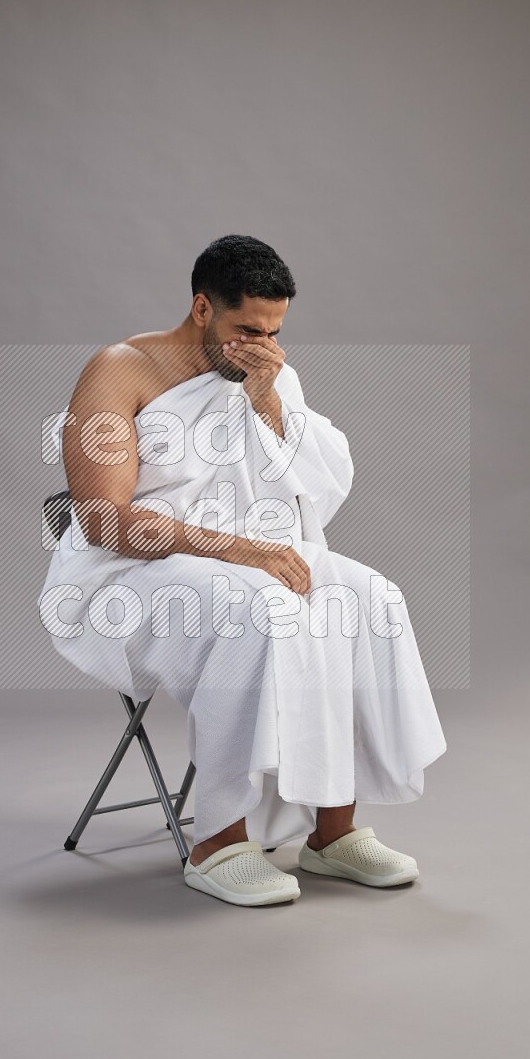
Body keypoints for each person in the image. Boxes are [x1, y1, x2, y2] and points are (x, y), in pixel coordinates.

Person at [38, 233, 447, 908]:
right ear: (202, 308)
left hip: (242, 552)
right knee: (257, 607)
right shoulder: (120, 370)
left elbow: (315, 488)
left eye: (275, 331)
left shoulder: (267, 373)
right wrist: (241, 551)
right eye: (246, 329)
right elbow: (103, 521)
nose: (263, 344)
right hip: (128, 574)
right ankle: (219, 841)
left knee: (370, 597)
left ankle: (331, 835)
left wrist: (267, 399)